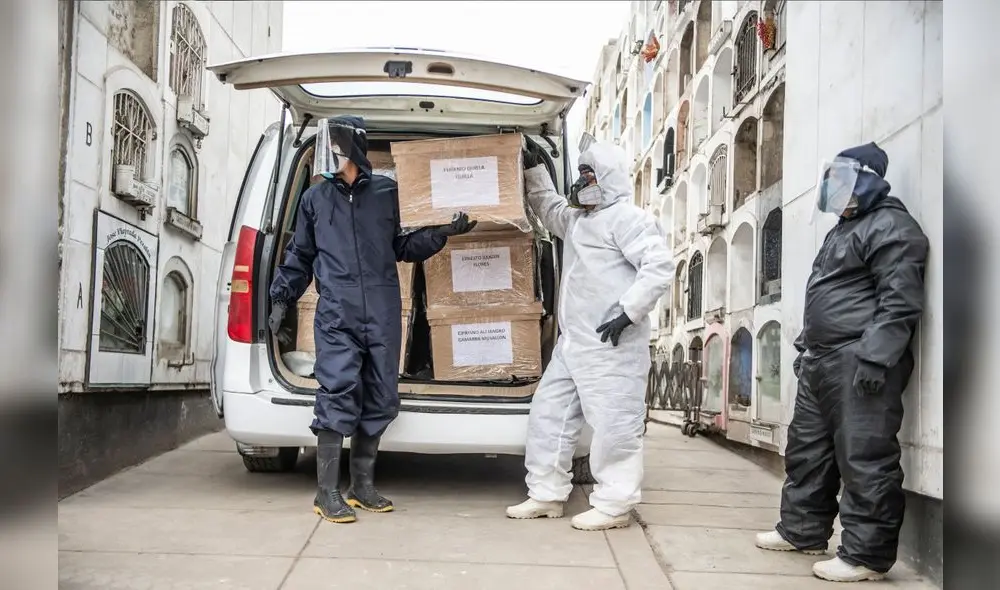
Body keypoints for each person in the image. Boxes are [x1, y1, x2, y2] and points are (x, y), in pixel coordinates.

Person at [268, 116, 477, 524]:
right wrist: (281, 298)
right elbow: (300, 258)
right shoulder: (315, 199)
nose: (329, 157)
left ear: (353, 149)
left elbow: (402, 246)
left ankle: (361, 484)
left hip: (382, 309)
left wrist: (441, 232)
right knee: (337, 390)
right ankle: (326, 492)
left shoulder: (387, 193)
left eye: (335, 147)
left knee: (382, 395)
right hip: (337, 311)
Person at [754, 142, 929, 582]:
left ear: (868, 180)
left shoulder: (891, 226)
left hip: (860, 359)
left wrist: (876, 358)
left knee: (864, 455)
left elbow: (899, 302)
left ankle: (866, 556)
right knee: (807, 452)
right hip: (821, 360)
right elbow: (825, 294)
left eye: (843, 180)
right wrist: (803, 346)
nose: (834, 190)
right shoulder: (842, 230)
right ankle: (802, 530)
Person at [506, 135, 674, 531]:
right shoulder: (580, 221)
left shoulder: (630, 219)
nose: (581, 183)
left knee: (615, 427)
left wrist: (628, 314)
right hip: (574, 343)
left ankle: (615, 505)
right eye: (581, 175)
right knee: (550, 416)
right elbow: (548, 208)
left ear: (608, 178)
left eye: (588, 174)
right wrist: (533, 168)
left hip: (613, 344)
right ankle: (546, 494)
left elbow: (659, 267)